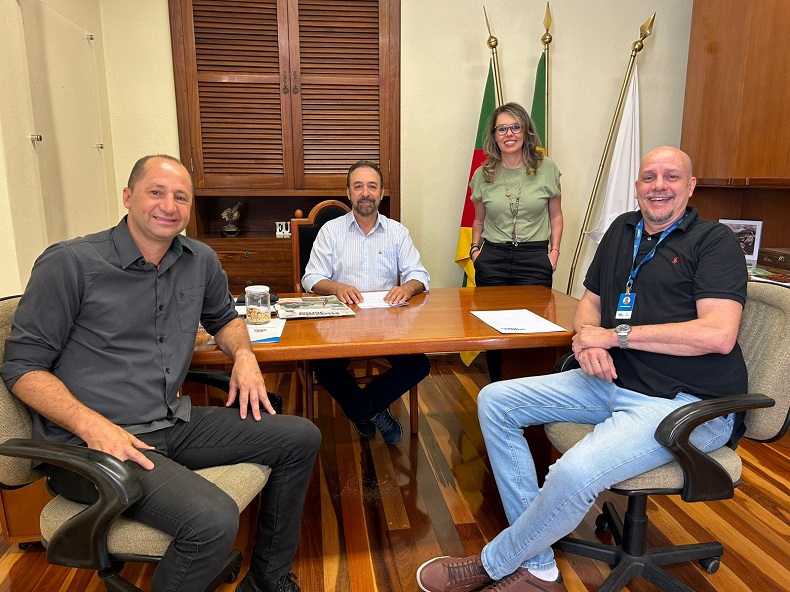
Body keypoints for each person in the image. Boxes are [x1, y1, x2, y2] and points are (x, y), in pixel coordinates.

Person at [416, 146, 748, 592]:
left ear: (690, 186)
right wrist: (586, 341)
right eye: (649, 177)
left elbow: (718, 334)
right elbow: (589, 305)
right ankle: (537, 563)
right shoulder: (621, 230)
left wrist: (613, 337)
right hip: (610, 379)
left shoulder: (714, 241)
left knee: (572, 471)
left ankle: (494, 563)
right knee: (496, 400)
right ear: (637, 187)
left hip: (685, 404)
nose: (659, 186)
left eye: (672, 177)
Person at [0, 155, 321, 592]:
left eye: (181, 197)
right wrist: (92, 426)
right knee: (213, 518)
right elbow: (22, 367)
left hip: (170, 420)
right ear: (128, 197)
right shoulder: (70, 263)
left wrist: (243, 355)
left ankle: (268, 581)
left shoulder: (199, 259)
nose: (169, 205)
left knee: (300, 436)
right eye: (156, 192)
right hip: (93, 445)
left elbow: (224, 318)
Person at [301, 160, 431, 445]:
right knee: (324, 367)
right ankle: (375, 412)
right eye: (358, 186)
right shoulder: (331, 231)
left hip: (388, 323)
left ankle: (363, 410)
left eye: (372, 186)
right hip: (340, 322)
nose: (365, 193)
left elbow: (419, 275)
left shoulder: (398, 232)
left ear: (381, 193)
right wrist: (335, 287)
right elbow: (310, 277)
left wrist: (408, 288)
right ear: (348, 193)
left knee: (419, 365)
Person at [469, 102, 564, 382]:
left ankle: (531, 391)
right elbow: (478, 221)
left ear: (525, 131)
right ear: (494, 135)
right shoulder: (483, 173)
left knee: (533, 329)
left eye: (515, 127)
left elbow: (556, 216)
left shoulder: (547, 168)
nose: (509, 134)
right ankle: (498, 388)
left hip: (534, 258)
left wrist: (554, 252)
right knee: (494, 329)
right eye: (502, 129)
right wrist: (476, 252)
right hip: (493, 259)